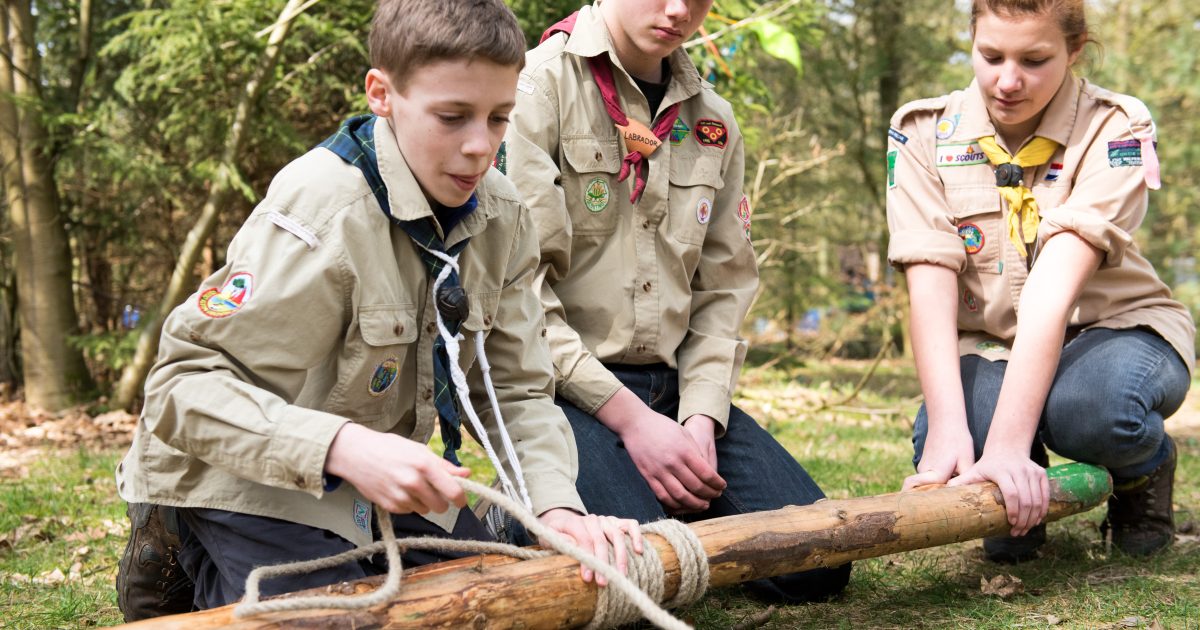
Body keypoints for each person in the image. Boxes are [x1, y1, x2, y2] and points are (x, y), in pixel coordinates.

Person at [113, 0, 643, 619]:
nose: (480, 146)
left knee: (494, 606)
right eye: (452, 116)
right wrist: (343, 446)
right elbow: (181, 387)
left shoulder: (503, 215)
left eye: (500, 118)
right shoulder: (322, 209)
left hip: (376, 482)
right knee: (340, 617)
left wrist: (556, 507)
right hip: (253, 476)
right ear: (382, 94)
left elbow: (517, 388)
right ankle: (178, 541)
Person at [502, 0, 850, 602]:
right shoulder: (534, 91)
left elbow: (724, 285)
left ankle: (655, 502)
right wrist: (631, 421)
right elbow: (517, 293)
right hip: (560, 391)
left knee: (817, 566)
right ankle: (520, 513)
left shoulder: (713, 118)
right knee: (637, 577)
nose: (678, 10)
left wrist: (701, 417)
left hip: (673, 390)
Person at [887, 0, 1194, 562]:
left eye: (1034, 60)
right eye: (991, 55)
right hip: (993, 341)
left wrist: (1006, 444)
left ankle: (1142, 471)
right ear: (972, 40)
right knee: (965, 444)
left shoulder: (1114, 127)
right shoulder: (923, 132)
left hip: (1112, 330)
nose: (1007, 81)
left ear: (1075, 51)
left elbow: (1051, 295)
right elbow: (929, 285)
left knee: (1093, 412)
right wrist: (951, 431)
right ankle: (1025, 505)